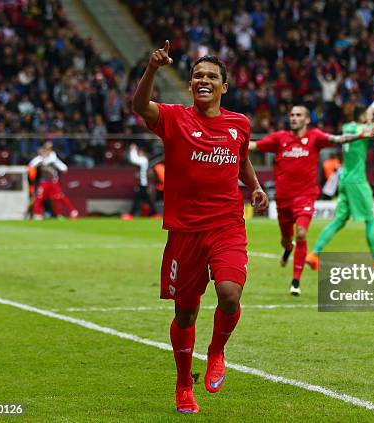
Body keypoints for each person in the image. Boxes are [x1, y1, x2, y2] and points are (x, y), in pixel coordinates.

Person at [132, 41, 268, 414]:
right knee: (185, 314)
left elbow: (241, 161)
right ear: (190, 85)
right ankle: (182, 384)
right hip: (185, 232)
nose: (203, 80)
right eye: (197, 76)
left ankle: (217, 351)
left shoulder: (239, 124)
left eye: (211, 76)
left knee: (229, 294)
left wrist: (255, 187)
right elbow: (139, 106)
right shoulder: (174, 117)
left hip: (226, 225)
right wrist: (153, 69)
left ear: (224, 86)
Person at [249, 104, 374, 295]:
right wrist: (230, 141)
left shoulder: (315, 137)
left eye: (298, 115)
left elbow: (338, 139)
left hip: (305, 197)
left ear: (307, 120)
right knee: (286, 240)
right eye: (292, 115)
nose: (294, 118)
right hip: (283, 200)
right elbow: (253, 145)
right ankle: (287, 249)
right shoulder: (279, 138)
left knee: (301, 233)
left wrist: (361, 135)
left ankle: (295, 282)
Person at [305, 88, 374, 271]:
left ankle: (314, 254)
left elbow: (364, 114)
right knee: (370, 219)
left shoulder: (348, 127)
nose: (370, 117)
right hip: (357, 181)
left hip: (344, 179)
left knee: (339, 220)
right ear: (363, 118)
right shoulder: (364, 130)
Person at [29, 141, 78, 220]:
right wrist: (41, 158)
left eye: (49, 148)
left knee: (59, 197)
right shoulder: (40, 158)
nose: (47, 150)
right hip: (44, 182)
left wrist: (44, 159)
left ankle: (72, 211)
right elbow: (31, 164)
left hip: (53, 182)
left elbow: (64, 168)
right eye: (46, 148)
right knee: (39, 197)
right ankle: (37, 214)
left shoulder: (53, 157)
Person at [121, 144, 161, 220]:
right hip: (143, 183)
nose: (138, 153)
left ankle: (131, 214)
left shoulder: (143, 159)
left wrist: (133, 149)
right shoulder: (144, 160)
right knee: (146, 200)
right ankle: (155, 214)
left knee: (137, 200)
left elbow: (133, 159)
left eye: (139, 152)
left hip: (143, 183)